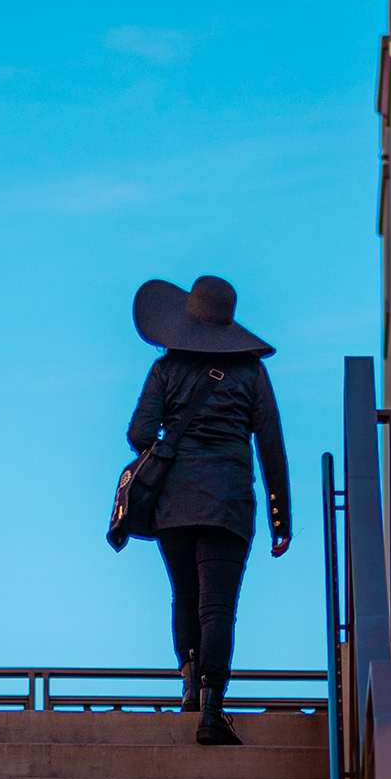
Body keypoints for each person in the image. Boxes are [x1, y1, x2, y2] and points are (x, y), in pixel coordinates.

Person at [127, 275, 290, 746]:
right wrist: (282, 520)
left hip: (173, 503)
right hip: (229, 503)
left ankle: (188, 690)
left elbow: (140, 434)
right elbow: (272, 447)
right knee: (218, 606)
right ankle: (212, 708)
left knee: (184, 596)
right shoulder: (252, 372)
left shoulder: (165, 369)